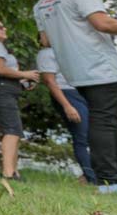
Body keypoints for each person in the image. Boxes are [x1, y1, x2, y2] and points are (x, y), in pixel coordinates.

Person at [34, 0, 117, 193]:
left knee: (110, 120)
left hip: (74, 70)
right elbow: (102, 23)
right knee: (106, 120)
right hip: (99, 65)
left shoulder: (42, 3)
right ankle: (111, 181)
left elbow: (45, 40)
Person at [0, 17, 39, 180]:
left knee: (14, 130)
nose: (5, 29)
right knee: (11, 131)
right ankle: (8, 173)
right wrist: (25, 74)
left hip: (3, 89)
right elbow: (0, 69)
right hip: (0, 89)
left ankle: (13, 172)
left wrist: (23, 83)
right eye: (0, 27)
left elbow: (4, 73)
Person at [36, 33, 96, 184]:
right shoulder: (45, 54)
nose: (50, 35)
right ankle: (92, 178)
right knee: (81, 137)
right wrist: (67, 105)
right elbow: (50, 82)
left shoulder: (64, 51)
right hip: (67, 95)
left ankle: (88, 176)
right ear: (40, 41)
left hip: (78, 94)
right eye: (44, 34)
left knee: (92, 136)